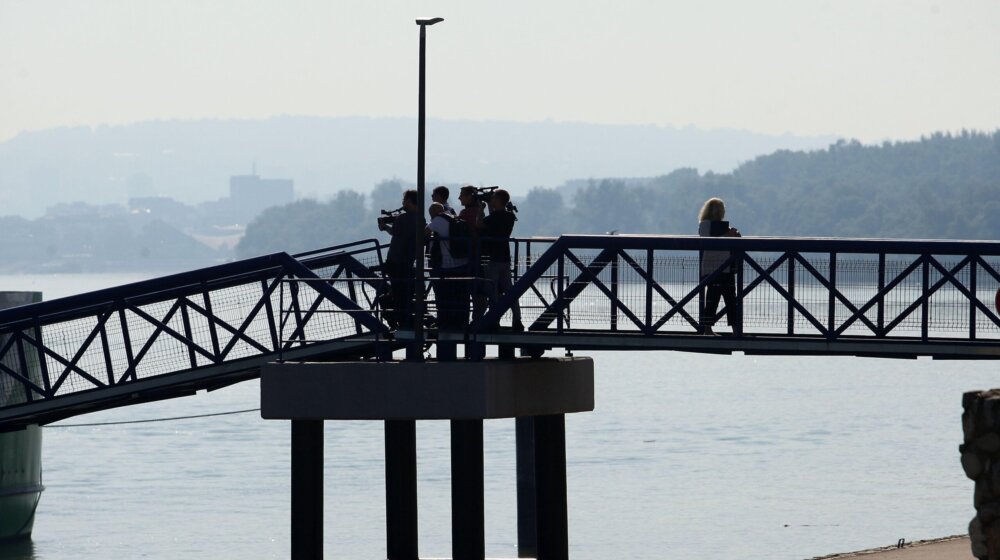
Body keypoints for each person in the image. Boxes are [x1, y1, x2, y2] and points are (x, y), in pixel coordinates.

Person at [378, 189, 424, 328]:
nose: (403, 203)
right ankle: (407, 319)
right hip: (409, 261)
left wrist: (385, 226)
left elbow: (395, 232)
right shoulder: (420, 218)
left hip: (395, 261)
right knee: (406, 292)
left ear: (409, 202)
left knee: (397, 292)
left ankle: (398, 321)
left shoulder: (403, 218)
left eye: (404, 201)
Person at [480, 188, 523, 330]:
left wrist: (480, 209)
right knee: (509, 291)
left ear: (498, 200)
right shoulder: (509, 217)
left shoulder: (492, 218)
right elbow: (496, 219)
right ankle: (517, 320)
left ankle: (494, 320)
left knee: (493, 292)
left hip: (492, 259)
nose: (491, 200)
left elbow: (479, 225)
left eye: (493, 198)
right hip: (505, 257)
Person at [698, 197, 742, 335]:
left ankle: (735, 330)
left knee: (731, 300)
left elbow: (721, 237)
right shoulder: (705, 225)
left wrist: (735, 235)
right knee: (712, 299)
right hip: (714, 268)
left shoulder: (722, 227)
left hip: (726, 267)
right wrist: (727, 235)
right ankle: (707, 329)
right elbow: (709, 239)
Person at [425, 202, 470, 329]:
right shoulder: (452, 217)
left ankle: (444, 322)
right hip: (462, 262)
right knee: (460, 296)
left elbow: (425, 233)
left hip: (446, 265)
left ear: (433, 213)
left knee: (443, 295)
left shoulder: (438, 220)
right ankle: (462, 322)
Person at [457, 185, 488, 321]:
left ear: (470, 197)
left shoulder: (465, 214)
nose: (459, 198)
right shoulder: (480, 212)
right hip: (480, 254)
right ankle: (479, 319)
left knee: (465, 290)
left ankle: (470, 320)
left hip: (469, 256)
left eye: (462, 195)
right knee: (480, 292)